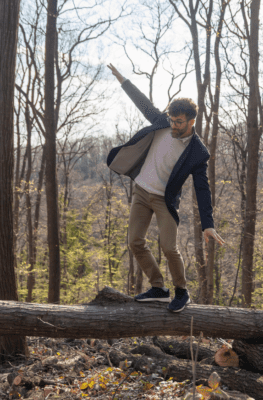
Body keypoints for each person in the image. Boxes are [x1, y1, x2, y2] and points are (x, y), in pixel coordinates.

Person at [106, 63, 225, 312]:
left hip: (164, 201)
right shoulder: (162, 122)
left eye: (179, 122)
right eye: (172, 120)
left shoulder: (197, 152)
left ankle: (182, 291)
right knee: (135, 242)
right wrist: (122, 79)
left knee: (169, 247)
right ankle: (158, 288)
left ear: (191, 122)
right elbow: (143, 102)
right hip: (141, 192)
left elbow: (202, 189)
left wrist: (208, 224)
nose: (173, 125)